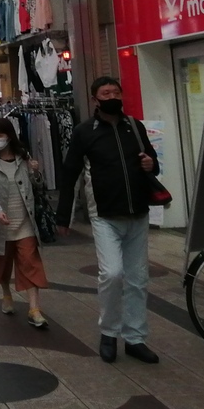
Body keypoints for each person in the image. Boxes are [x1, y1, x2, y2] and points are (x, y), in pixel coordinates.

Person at [57, 75, 160, 364]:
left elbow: (151, 161)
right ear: (95, 99)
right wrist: (63, 215)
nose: (112, 96)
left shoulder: (134, 127)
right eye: (106, 93)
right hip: (104, 214)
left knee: (138, 279)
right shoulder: (84, 132)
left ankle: (135, 338)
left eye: (116, 91)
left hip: (138, 212)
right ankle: (109, 333)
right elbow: (70, 172)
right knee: (112, 274)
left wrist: (151, 163)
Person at [0, 117, 48, 328]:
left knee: (30, 262)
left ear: (10, 136)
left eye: (1, 134)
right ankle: (6, 293)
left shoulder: (22, 157)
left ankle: (34, 309)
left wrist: (35, 171)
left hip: (24, 220)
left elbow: (37, 184)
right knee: (2, 263)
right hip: (1, 223)